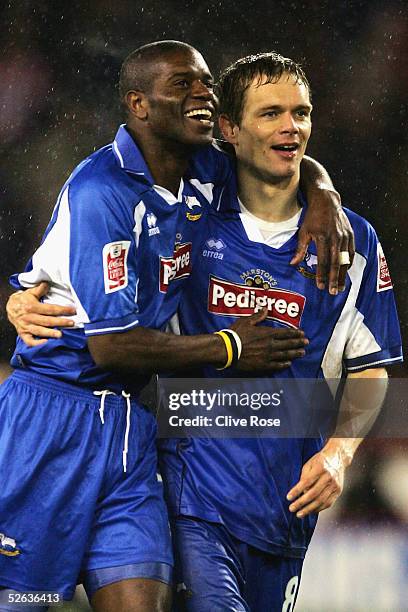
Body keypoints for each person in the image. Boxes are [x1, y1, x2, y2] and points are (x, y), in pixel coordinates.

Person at [4, 43, 354, 612]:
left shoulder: (201, 171)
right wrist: (229, 347)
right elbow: (113, 345)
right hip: (53, 418)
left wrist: (324, 195)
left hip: (133, 428)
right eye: (183, 84)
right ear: (139, 105)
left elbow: (276, 155)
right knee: (22, 601)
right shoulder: (102, 192)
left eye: (206, 83)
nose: (202, 94)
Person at [152, 53, 403, 611]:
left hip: (286, 509)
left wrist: (339, 454)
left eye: (301, 112)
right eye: (270, 114)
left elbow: (371, 369)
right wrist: (31, 293)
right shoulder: (188, 217)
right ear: (229, 130)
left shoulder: (351, 242)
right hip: (192, 495)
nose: (291, 126)